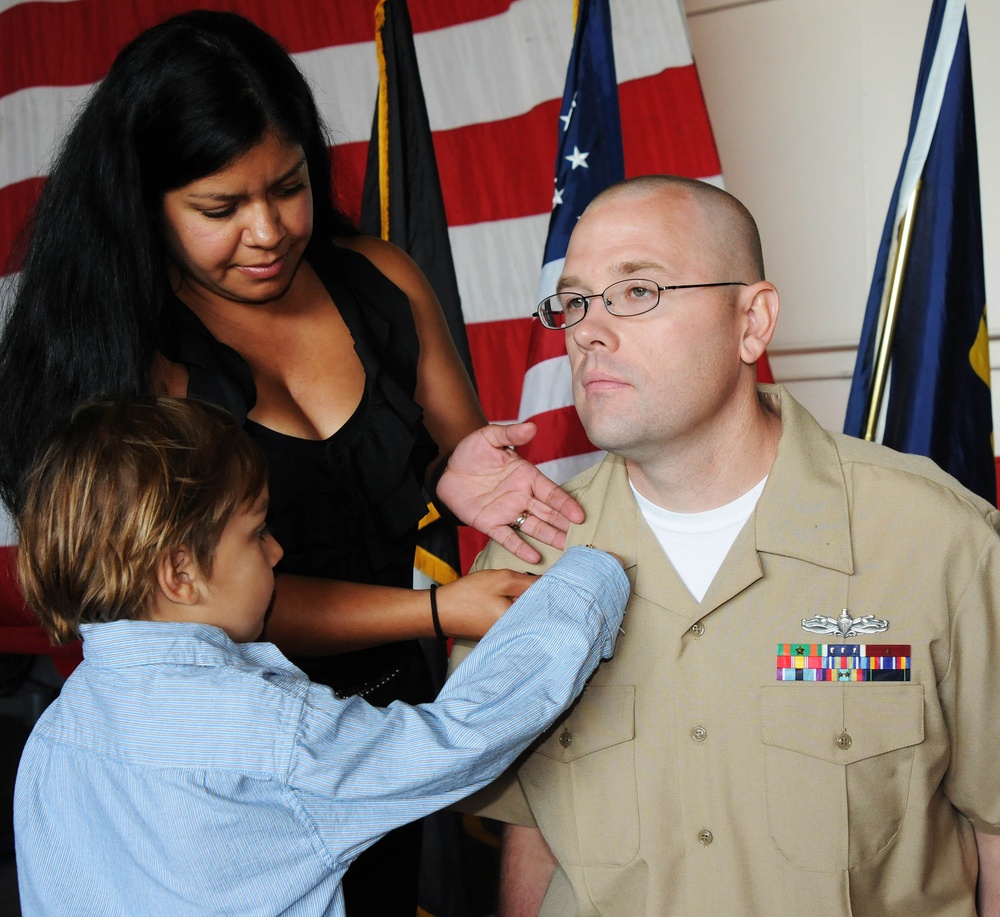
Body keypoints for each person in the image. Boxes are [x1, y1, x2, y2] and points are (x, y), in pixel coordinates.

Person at [0, 11, 583, 911]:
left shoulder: (382, 281)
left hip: (391, 718)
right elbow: (195, 602)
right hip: (221, 765)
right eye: (221, 208)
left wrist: (457, 472)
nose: (269, 230)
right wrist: (435, 608)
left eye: (289, 187)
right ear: (143, 203)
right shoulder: (127, 363)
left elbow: (442, 453)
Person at [450, 175, 1000, 916]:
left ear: (753, 319)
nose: (587, 330)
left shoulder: (936, 541)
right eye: (574, 300)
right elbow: (532, 834)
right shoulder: (524, 561)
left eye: (637, 290)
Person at [12, 396, 628, 917]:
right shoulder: (268, 730)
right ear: (181, 573)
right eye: (256, 533)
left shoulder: (55, 734)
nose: (277, 551)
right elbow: (456, 744)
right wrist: (587, 585)